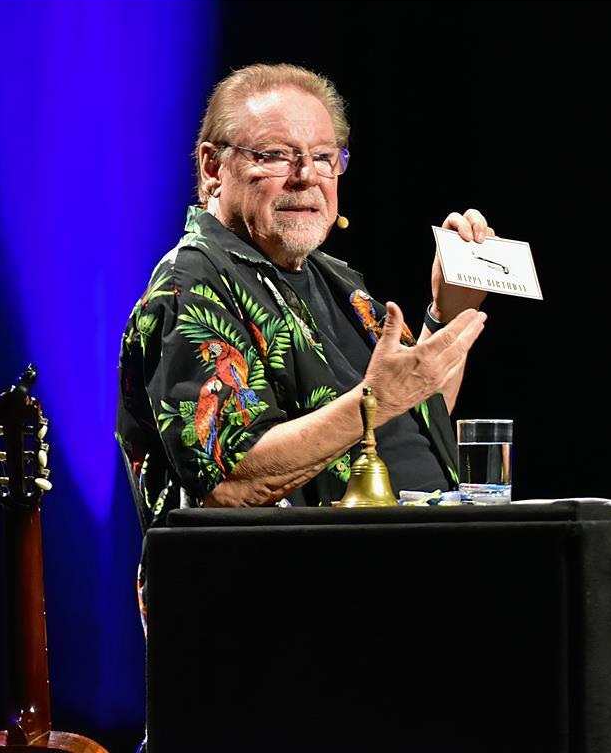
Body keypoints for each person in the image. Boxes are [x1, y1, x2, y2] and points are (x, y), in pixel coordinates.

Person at [117, 63, 494, 531]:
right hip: (286, 591)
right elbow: (231, 480)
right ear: (213, 167)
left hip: (414, 565)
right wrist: (375, 399)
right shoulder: (190, 284)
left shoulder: (337, 280)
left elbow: (407, 419)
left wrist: (450, 309)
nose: (306, 176)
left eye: (323, 156)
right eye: (276, 155)